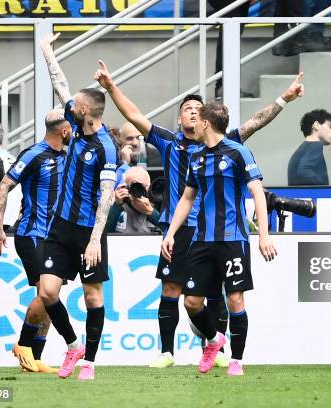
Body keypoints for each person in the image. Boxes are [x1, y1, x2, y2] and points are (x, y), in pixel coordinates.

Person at [95, 61, 303, 368]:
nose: (193, 111)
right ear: (180, 118)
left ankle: (218, 349)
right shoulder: (168, 141)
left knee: (221, 294)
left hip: (215, 231)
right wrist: (111, 87)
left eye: (198, 107)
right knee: (172, 289)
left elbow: (257, 121)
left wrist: (283, 98)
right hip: (180, 230)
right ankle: (168, 352)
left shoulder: (227, 143)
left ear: (205, 119)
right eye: (187, 107)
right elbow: (134, 115)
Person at [160, 102, 276, 376]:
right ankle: (214, 340)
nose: (193, 123)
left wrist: (264, 236)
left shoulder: (238, 153)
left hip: (232, 239)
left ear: (206, 124)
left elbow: (257, 192)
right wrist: (171, 233)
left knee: (235, 299)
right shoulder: (197, 157)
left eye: (197, 118)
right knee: (192, 302)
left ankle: (236, 360)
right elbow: (187, 198)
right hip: (201, 241)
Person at [38, 32, 118, 381]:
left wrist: (95, 240)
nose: (68, 106)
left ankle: (90, 362)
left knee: (92, 295)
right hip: (60, 225)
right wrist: (46, 52)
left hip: (88, 231)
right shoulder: (76, 118)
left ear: (85, 111)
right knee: (47, 291)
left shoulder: (106, 148)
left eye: (75, 105)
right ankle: (73, 345)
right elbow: (60, 85)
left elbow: (107, 197)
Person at [0, 109, 71, 374]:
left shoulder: (69, 155)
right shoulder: (34, 154)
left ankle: (32, 360)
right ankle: (24, 347)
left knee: (50, 297)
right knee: (47, 294)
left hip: (57, 239)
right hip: (33, 233)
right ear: (64, 131)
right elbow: (4, 186)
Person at [287, 109, 331, 185]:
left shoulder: (303, 148)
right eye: (330, 127)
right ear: (316, 125)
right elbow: (303, 170)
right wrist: (323, 186)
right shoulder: (315, 145)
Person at [107, 166, 160, 234]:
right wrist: (117, 205)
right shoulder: (119, 205)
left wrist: (151, 212)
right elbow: (107, 233)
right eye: (134, 186)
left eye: (142, 186)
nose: (138, 189)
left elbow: (168, 230)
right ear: (126, 187)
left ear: (149, 187)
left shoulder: (158, 202)